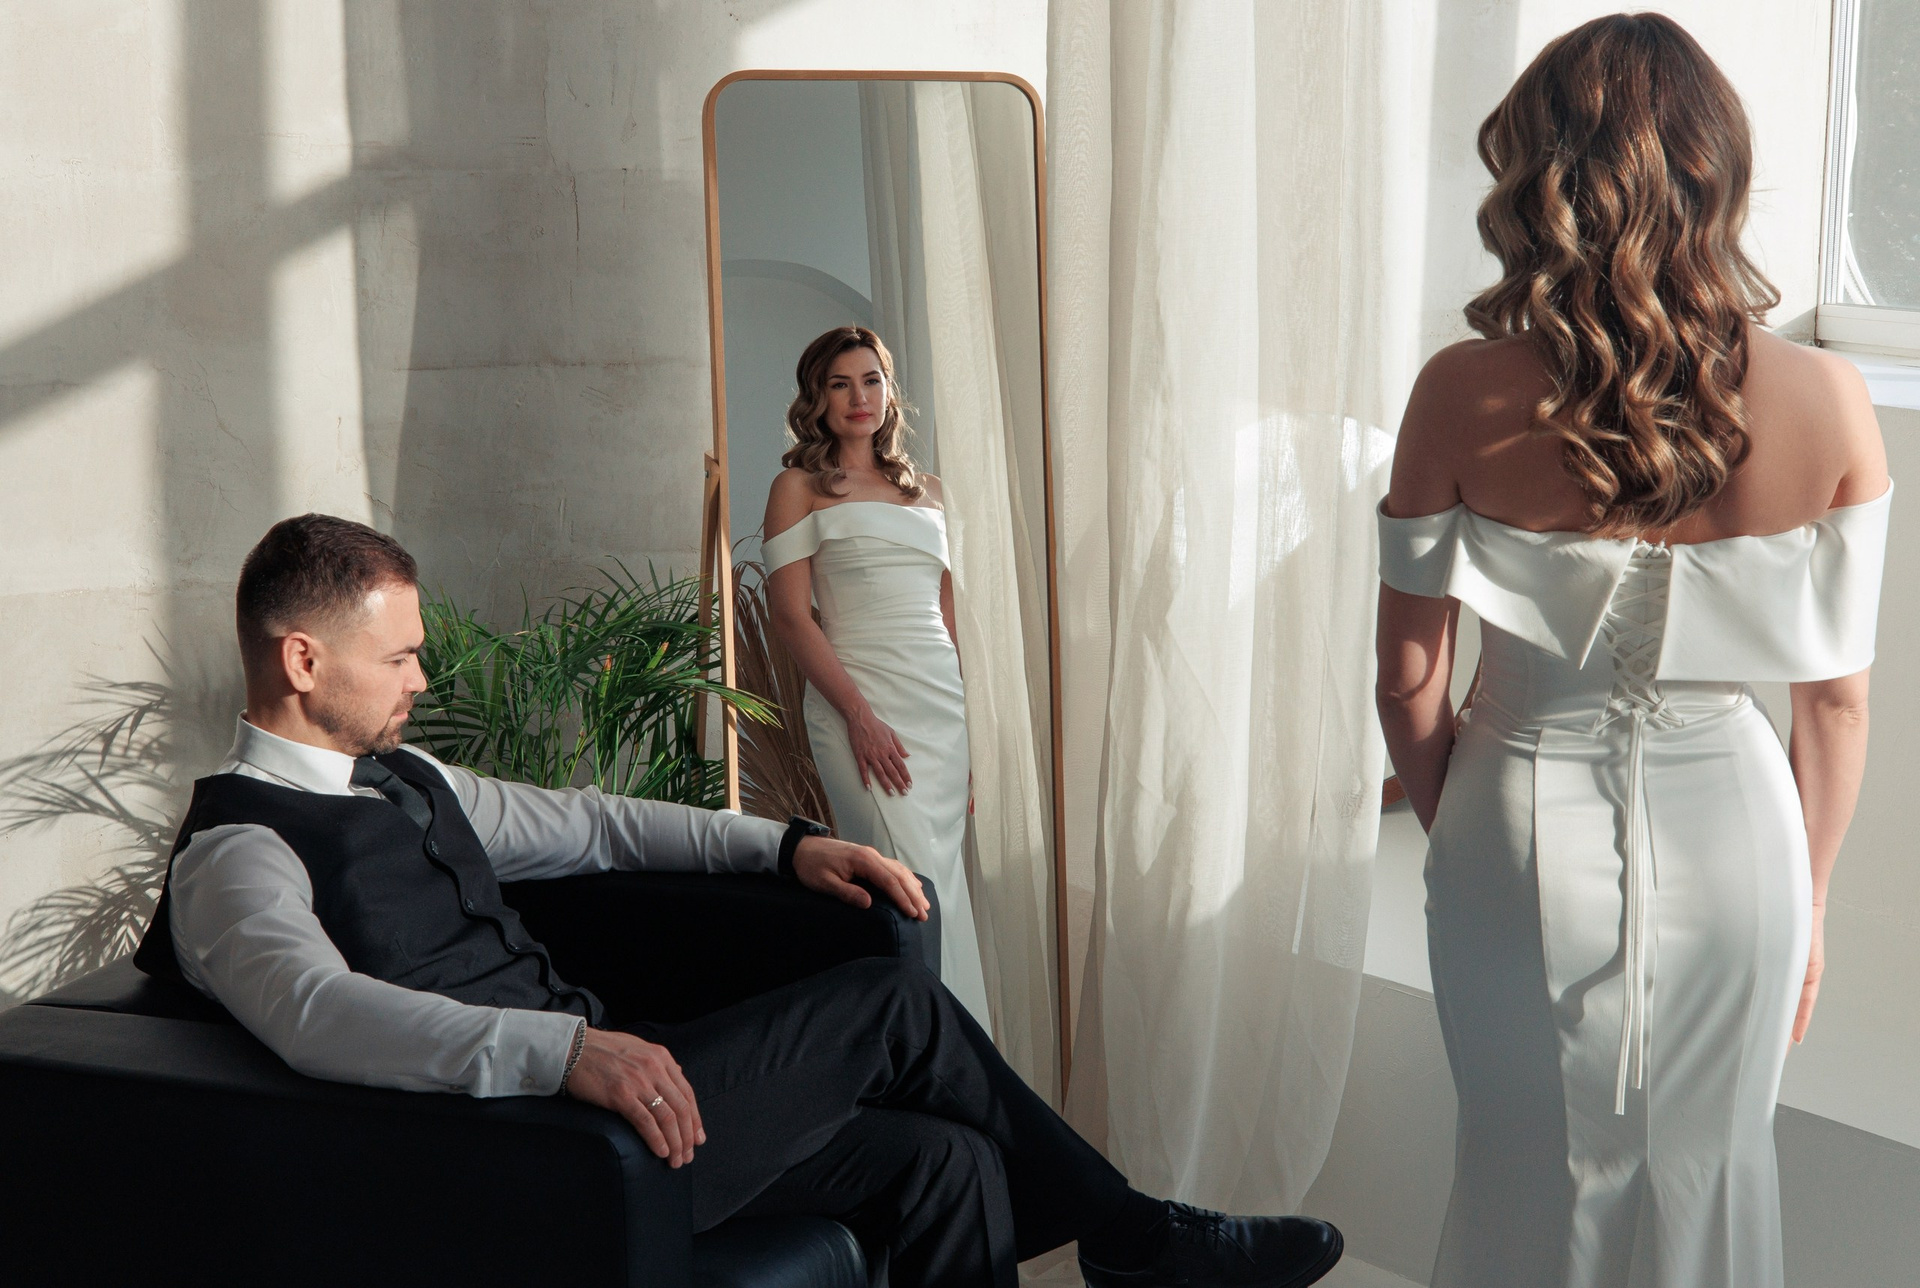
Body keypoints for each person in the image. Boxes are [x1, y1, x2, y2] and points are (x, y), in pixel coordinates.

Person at [134, 512, 1343, 1288]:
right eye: (398, 656)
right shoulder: (237, 851)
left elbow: (595, 822)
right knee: (892, 1007)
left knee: (948, 1160)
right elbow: (318, 1014)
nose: (420, 675)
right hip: (528, 1153)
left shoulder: (410, 777)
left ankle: (1127, 1236)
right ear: (303, 660)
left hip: (618, 1109)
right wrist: (563, 1052)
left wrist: (786, 849)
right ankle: (1134, 1236)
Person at [1375, 15, 1888, 1288]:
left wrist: (1469, 829)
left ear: (1538, 179)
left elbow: (1408, 680)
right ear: (1718, 173)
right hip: (1743, 836)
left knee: (1521, 1165)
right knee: (1714, 1162)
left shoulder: (1457, 392)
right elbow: (1834, 705)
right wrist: (1814, 898)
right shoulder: (1830, 401)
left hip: (1510, 809)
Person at [761, 325, 992, 1028]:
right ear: (817, 398)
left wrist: (974, 735)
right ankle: (916, 1045)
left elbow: (950, 619)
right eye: (840, 384)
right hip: (856, 700)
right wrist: (860, 717)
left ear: (890, 393)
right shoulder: (798, 488)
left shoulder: (931, 492)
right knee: (899, 886)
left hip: (939, 709)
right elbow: (791, 617)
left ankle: (959, 1053)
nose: (858, 397)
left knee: (941, 886)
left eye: (871, 380)